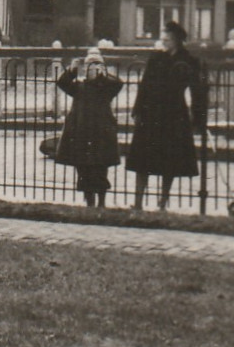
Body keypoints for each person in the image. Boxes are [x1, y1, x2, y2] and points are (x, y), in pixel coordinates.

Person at [127, 21, 206, 212]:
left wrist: (198, 118)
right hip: (151, 112)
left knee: (169, 161)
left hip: (174, 114)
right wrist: (138, 109)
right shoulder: (156, 58)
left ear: (177, 40)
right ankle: (137, 202)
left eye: (168, 39)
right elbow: (144, 84)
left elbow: (198, 91)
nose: (164, 43)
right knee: (143, 159)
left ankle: (163, 201)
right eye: (162, 39)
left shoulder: (188, 60)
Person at [54, 48, 124, 209]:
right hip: (82, 132)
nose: (92, 69)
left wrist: (103, 76)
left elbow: (118, 84)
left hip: (101, 132)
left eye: (97, 65)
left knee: (101, 167)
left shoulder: (106, 87)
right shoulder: (79, 87)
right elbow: (62, 83)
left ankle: (101, 200)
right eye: (89, 66)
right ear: (84, 69)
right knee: (83, 168)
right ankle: (89, 198)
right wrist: (71, 70)